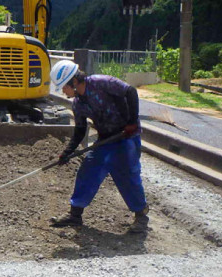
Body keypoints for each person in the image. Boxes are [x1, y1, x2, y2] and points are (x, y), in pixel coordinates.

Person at [48, 60, 149, 234]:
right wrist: (67, 152)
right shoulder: (78, 104)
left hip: (126, 135)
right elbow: (80, 130)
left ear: (73, 81)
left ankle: (141, 216)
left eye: (64, 87)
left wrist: (132, 121)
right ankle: (75, 215)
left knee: (128, 175)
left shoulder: (102, 83)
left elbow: (130, 92)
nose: (63, 92)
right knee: (88, 171)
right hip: (105, 139)